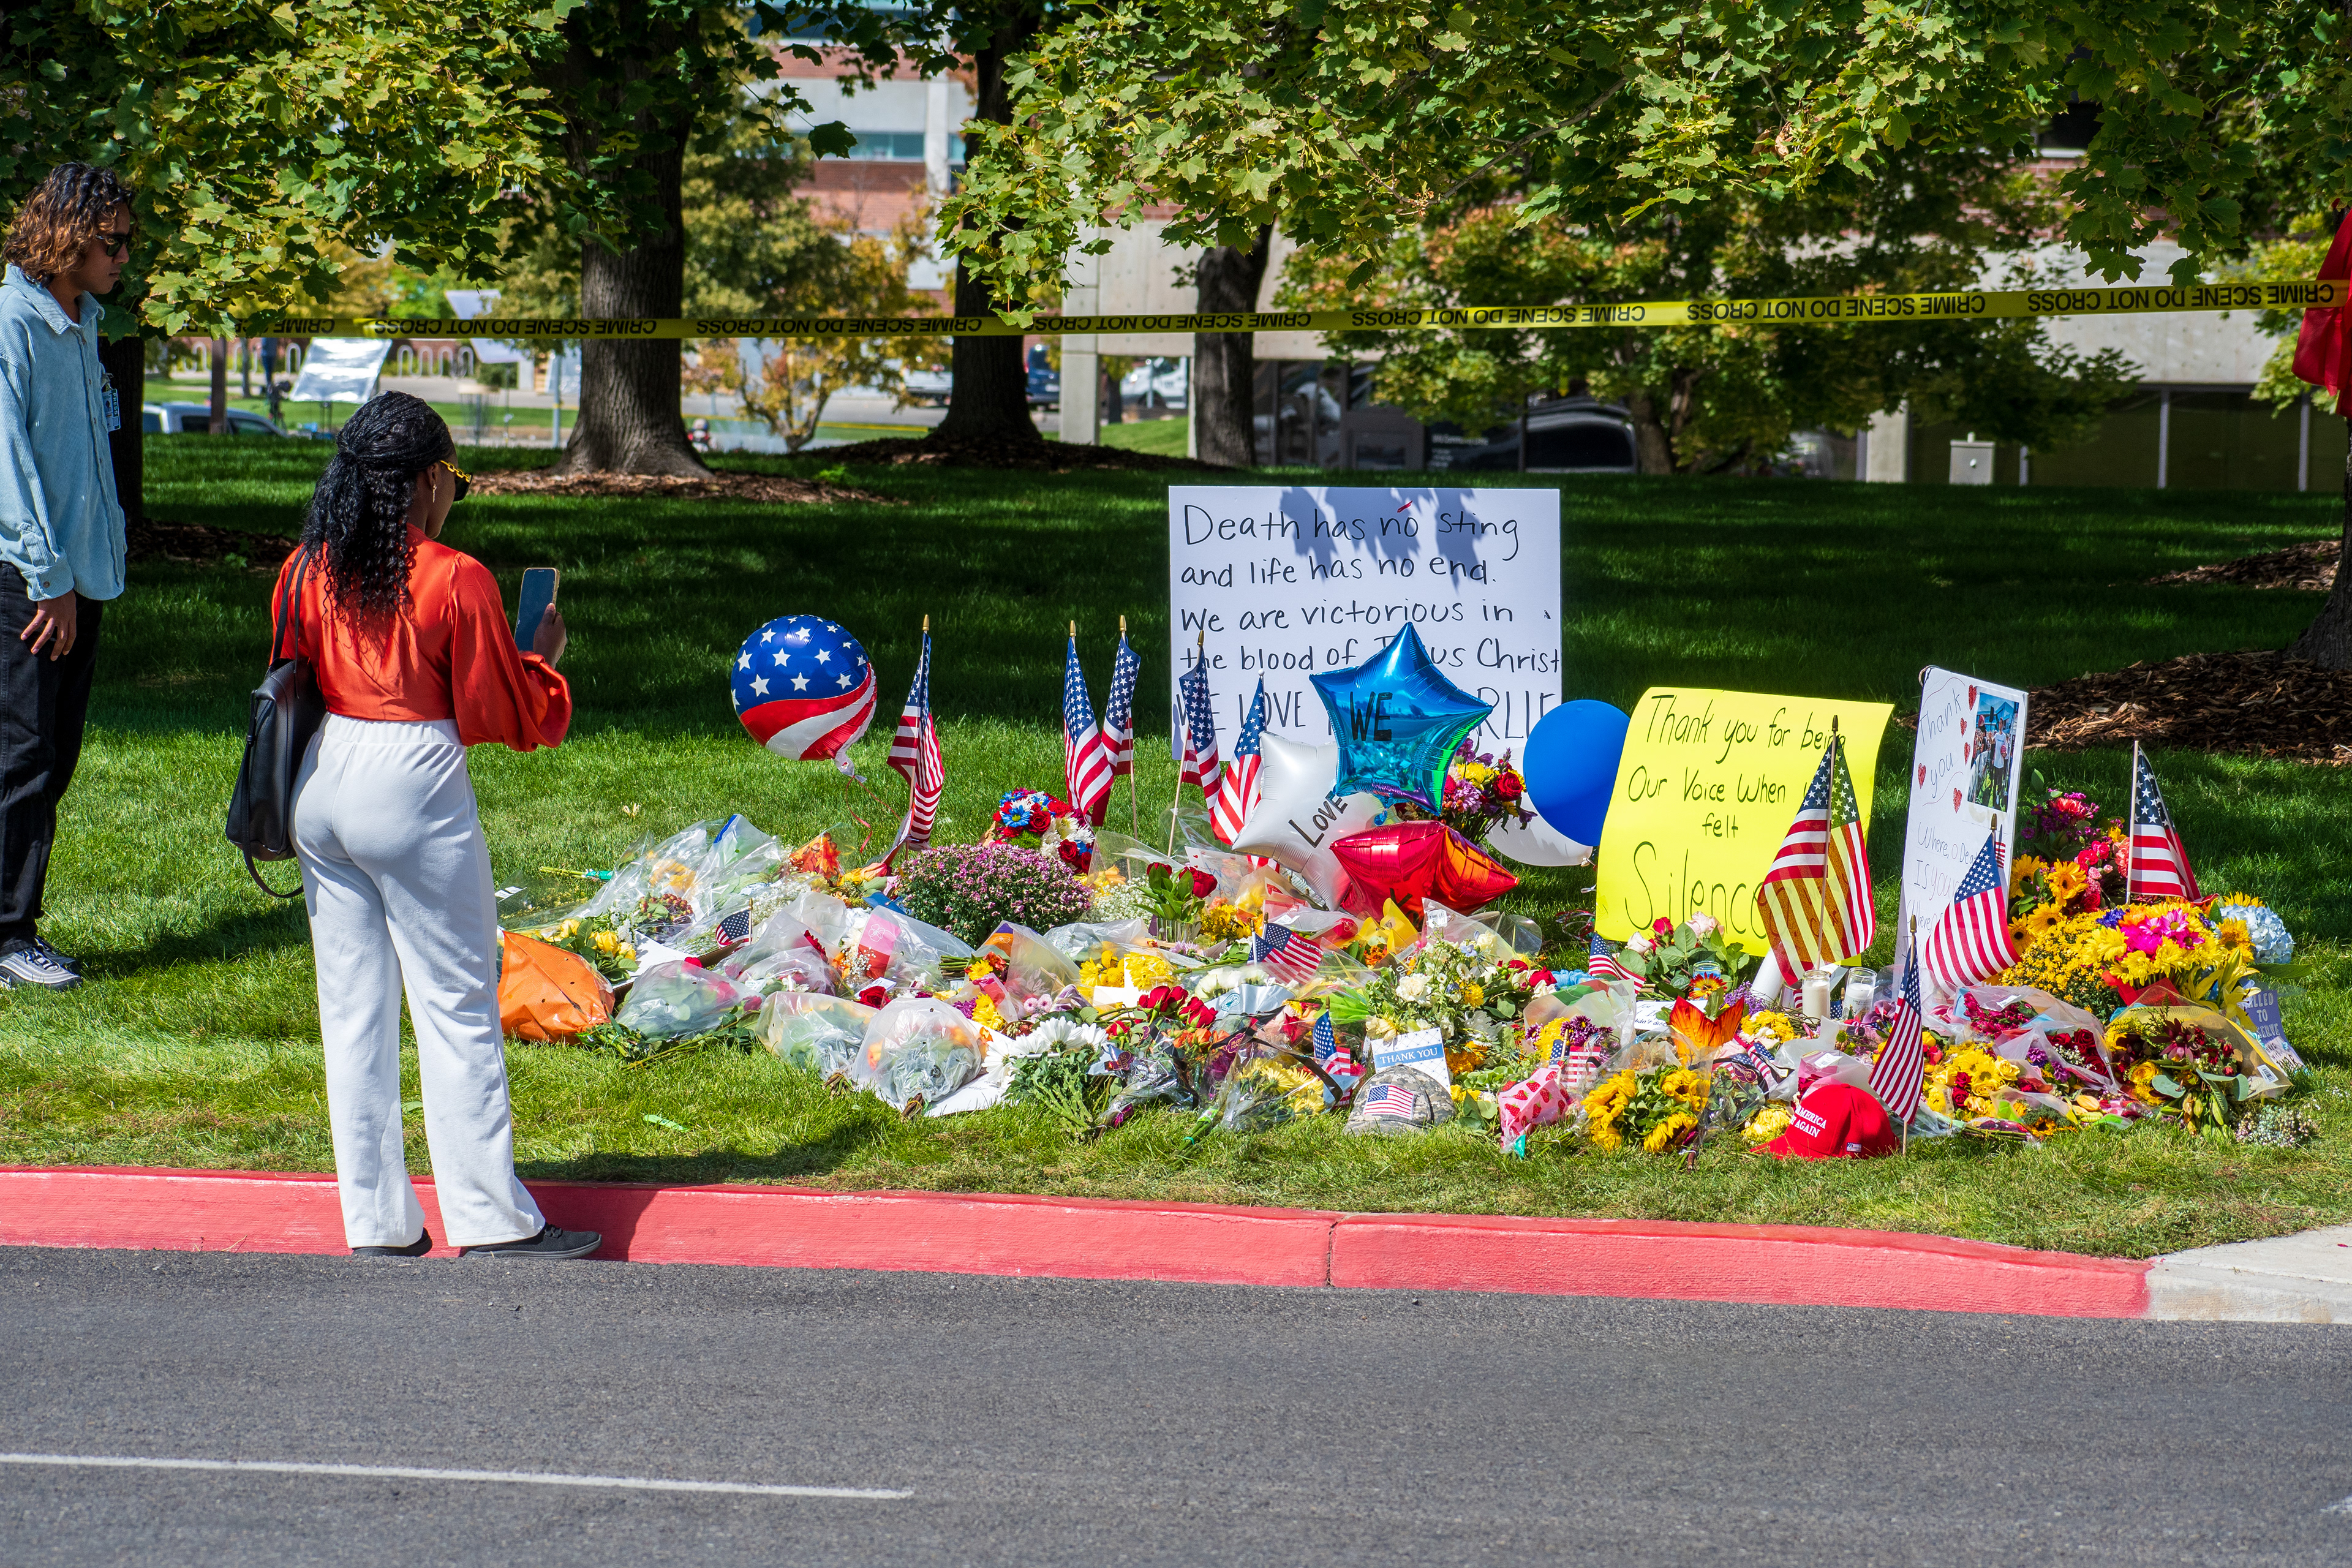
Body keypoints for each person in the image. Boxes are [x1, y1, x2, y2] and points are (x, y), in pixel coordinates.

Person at [277, 390, 600, 1260]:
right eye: (454, 478)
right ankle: (491, 1218)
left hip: (322, 776)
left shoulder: (308, 566)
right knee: (456, 1004)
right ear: (425, 482)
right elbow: (502, 711)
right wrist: (544, 659)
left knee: (353, 1011)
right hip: (410, 778)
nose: (454, 493)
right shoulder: (456, 576)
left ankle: (378, 1220)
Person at [0, 164, 136, 992]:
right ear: (64, 237)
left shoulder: (83, 321)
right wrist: (47, 576)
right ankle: (9, 937)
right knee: (20, 755)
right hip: (26, 577)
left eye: (127, 241)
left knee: (54, 754)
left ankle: (17, 926)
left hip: (79, 578)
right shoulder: (13, 320)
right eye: (109, 241)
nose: (123, 256)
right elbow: (6, 464)